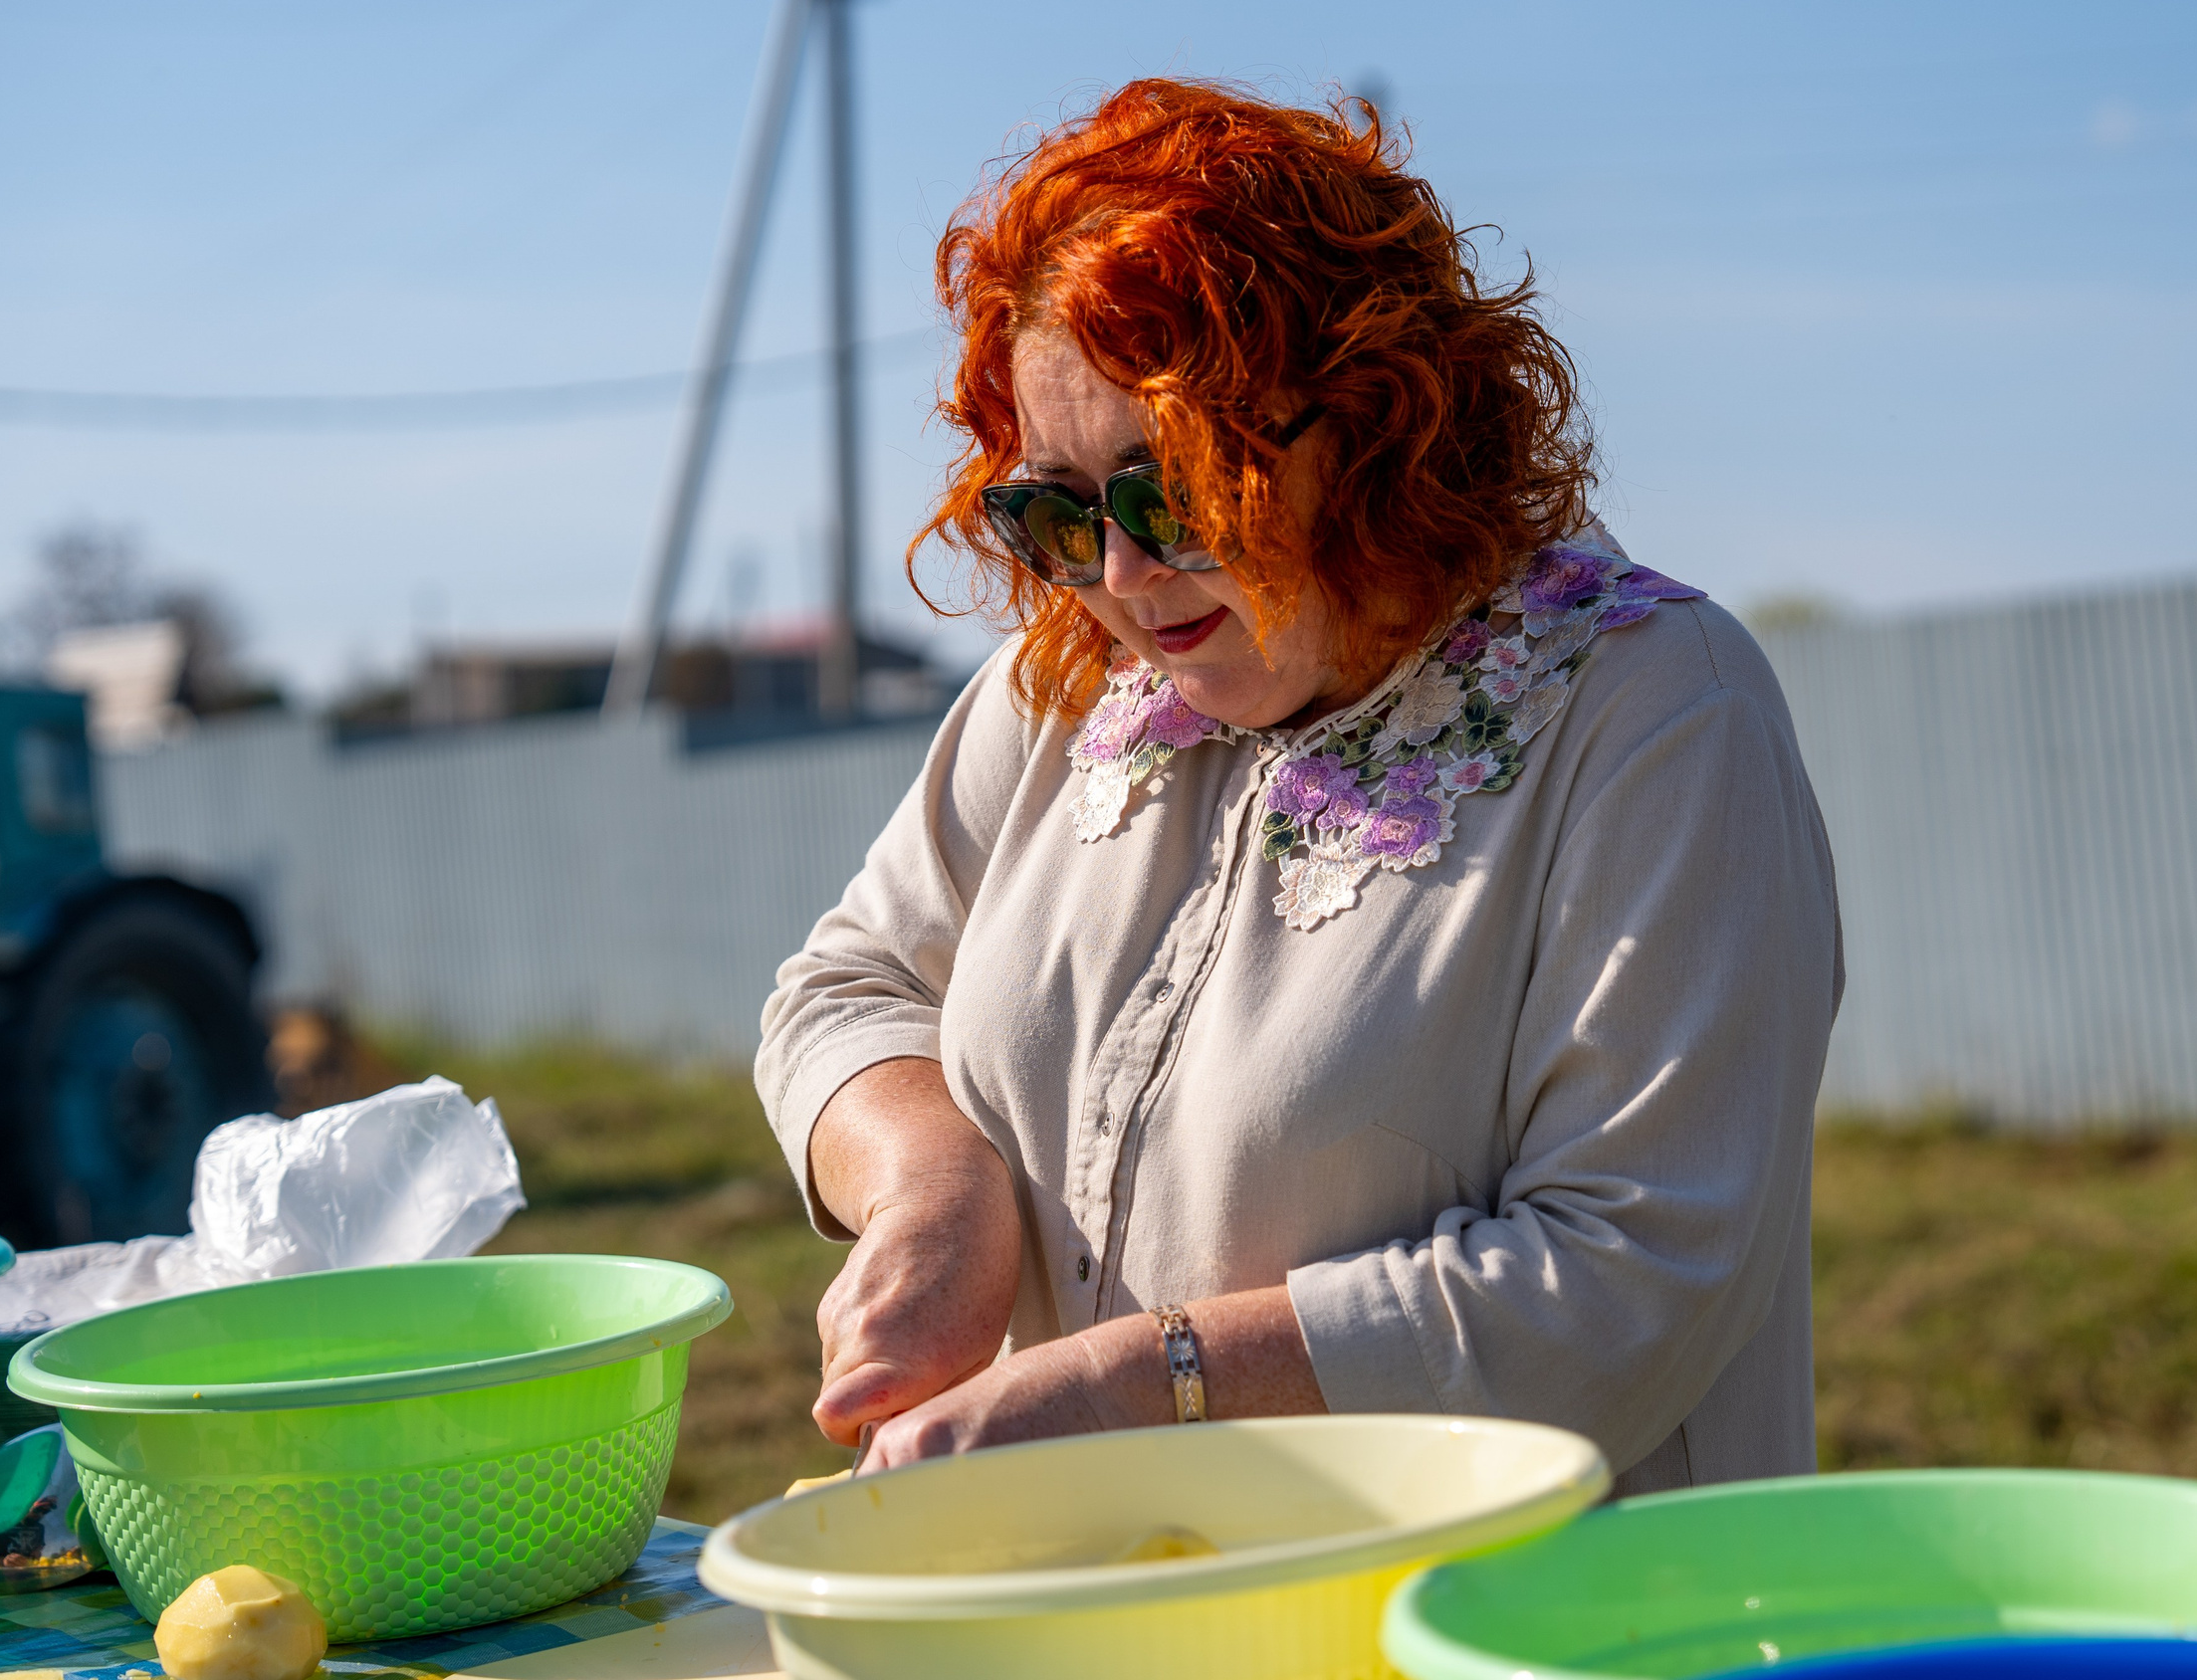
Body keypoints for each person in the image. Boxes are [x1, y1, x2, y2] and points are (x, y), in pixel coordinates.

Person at [756, 78, 1842, 1493]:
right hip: (1122, 1584)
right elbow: (848, 989)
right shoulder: (1069, 685)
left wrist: (1142, 1387)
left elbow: (1631, 1278)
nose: (1122, 574)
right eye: (1056, 510)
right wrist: (931, 1187)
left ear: (1382, 422)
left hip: (1513, 1599)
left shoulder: (1654, 710)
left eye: (1176, 490)